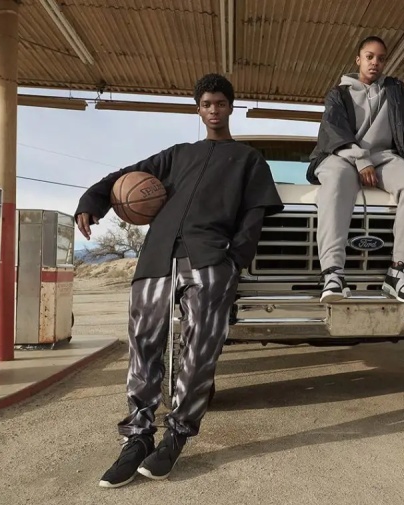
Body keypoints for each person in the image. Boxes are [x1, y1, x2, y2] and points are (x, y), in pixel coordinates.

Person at [74, 73, 283, 487]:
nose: (213, 110)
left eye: (220, 103)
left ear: (230, 106)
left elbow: (255, 215)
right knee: (144, 347)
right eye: (206, 104)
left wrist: (233, 260)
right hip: (157, 257)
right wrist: (92, 200)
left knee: (200, 349)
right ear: (198, 109)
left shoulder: (248, 159)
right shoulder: (177, 155)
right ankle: (137, 438)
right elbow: (126, 175)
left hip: (210, 259)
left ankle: (176, 437)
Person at [307, 35, 404, 304]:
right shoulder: (338, 93)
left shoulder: (395, 92)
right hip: (343, 154)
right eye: (369, 57)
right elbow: (334, 133)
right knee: (336, 180)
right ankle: (333, 273)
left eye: (381, 58)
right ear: (358, 59)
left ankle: (397, 271)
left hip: (384, 158)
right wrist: (360, 159)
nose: (375, 62)